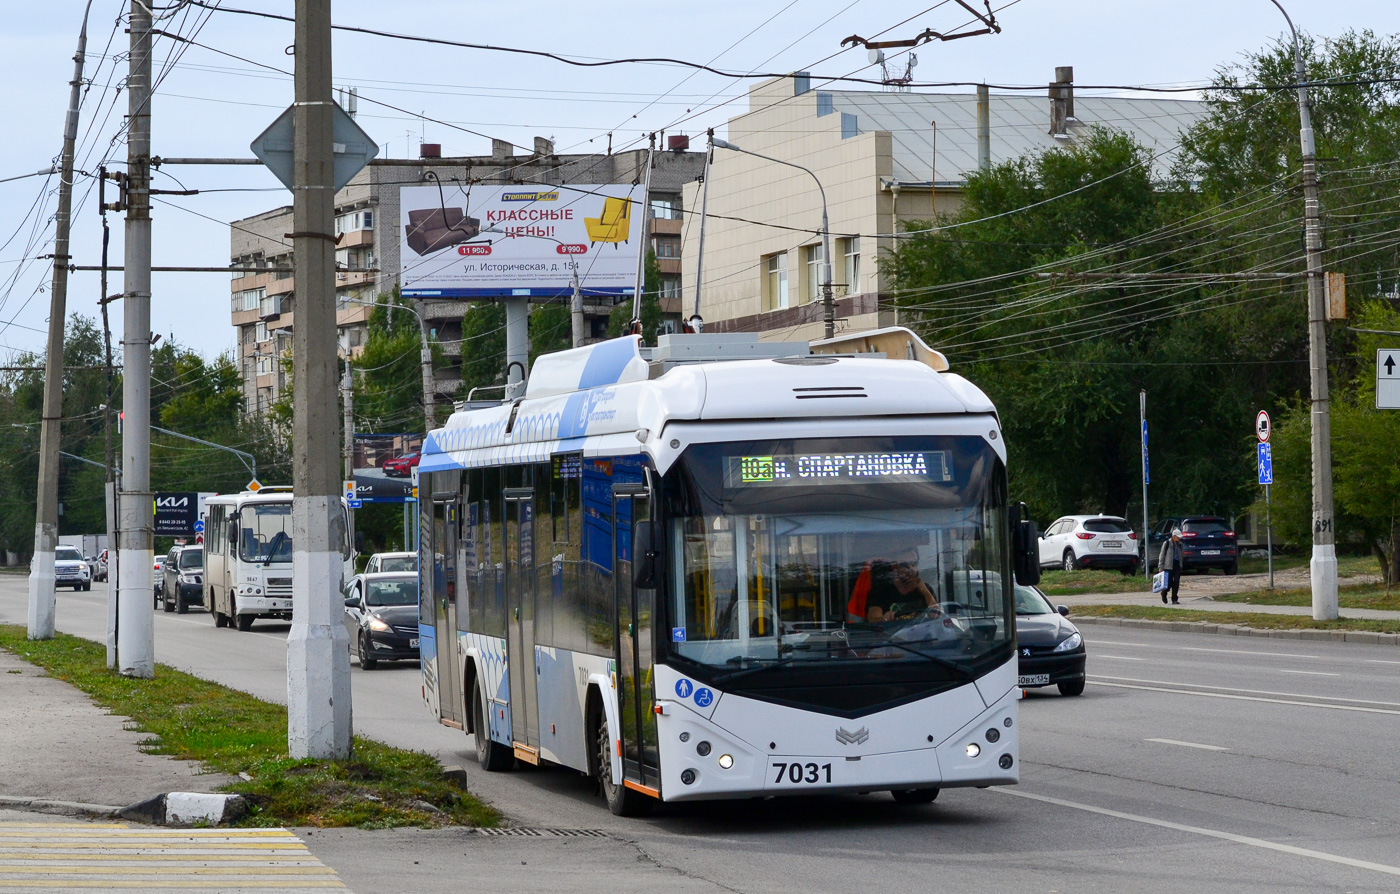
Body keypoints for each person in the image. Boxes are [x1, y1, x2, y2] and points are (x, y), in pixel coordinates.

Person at [848, 548, 939, 622]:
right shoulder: (880, 591)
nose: (910, 568)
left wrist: (924, 591)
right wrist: (884, 619)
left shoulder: (925, 590)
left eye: (914, 564)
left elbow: (936, 616)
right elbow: (873, 620)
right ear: (894, 567)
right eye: (905, 565)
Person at [1158, 528, 1184, 605]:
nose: (1179, 538)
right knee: (1168, 583)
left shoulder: (1180, 545)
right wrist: (1161, 567)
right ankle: (1164, 593)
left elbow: (1181, 556)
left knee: (1176, 582)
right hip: (1168, 566)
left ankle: (1174, 599)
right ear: (1174, 536)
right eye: (1178, 537)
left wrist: (1181, 565)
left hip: (1177, 565)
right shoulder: (1167, 543)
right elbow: (1162, 555)